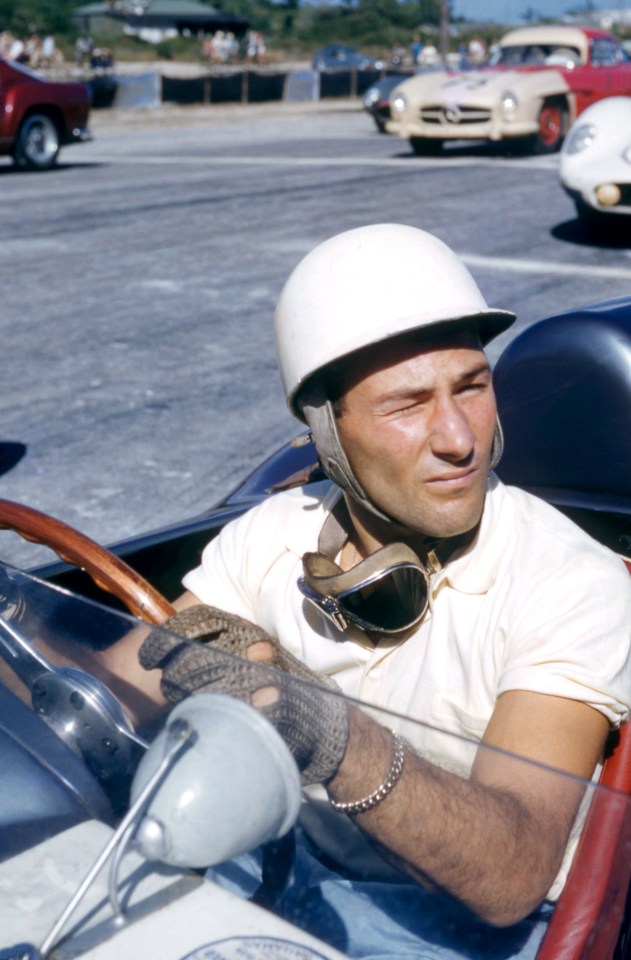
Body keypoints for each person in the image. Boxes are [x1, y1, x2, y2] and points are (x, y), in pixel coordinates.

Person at [125, 224, 631, 959]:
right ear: (326, 432)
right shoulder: (267, 536)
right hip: (287, 877)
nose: (459, 439)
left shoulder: (570, 582)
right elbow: (124, 677)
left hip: (473, 934)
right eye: (406, 404)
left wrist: (330, 733)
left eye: (472, 386)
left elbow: (512, 873)